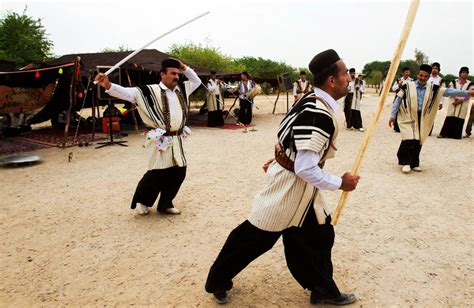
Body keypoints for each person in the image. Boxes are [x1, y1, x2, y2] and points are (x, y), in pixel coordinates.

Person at [205, 49, 360, 306]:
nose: (349, 78)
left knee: (319, 236)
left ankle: (322, 288)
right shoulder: (318, 112)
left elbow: (286, 135)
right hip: (290, 186)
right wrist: (340, 183)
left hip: (302, 186)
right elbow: (305, 168)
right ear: (331, 80)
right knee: (255, 237)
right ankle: (217, 281)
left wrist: (283, 155)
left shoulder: (312, 99)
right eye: (345, 74)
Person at [95, 58, 201, 215]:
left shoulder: (182, 90)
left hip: (177, 139)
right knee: (157, 172)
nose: (177, 77)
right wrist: (108, 85)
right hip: (159, 138)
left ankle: (165, 204)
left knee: (179, 171)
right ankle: (143, 201)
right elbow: (126, 92)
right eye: (173, 73)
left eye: (178, 74)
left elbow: (196, 80)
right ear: (162, 74)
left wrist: (183, 66)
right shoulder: (146, 91)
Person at [388, 64, 474, 173]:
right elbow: (398, 101)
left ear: (428, 77)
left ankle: (414, 163)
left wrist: (468, 93)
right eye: (421, 75)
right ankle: (405, 162)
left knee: (418, 139)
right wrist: (392, 116)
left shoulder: (434, 88)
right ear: (418, 74)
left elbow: (449, 91)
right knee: (408, 138)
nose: (422, 78)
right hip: (408, 116)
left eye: (425, 76)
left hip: (424, 117)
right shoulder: (407, 86)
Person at [438, 67, 473, 139]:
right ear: (460, 73)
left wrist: (461, 100)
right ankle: (444, 134)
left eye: (466, 73)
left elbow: (471, 93)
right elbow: (450, 90)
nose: (464, 74)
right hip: (453, 101)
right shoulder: (454, 81)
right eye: (463, 72)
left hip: (463, 103)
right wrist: (456, 98)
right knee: (450, 116)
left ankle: (456, 135)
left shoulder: (470, 84)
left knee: (460, 117)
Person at [391, 67, 413, 132]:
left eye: (408, 72)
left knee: (407, 112)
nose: (407, 73)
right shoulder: (399, 80)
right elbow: (393, 88)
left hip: (408, 98)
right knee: (398, 112)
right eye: (406, 72)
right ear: (403, 73)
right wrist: (398, 85)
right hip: (399, 98)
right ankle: (397, 127)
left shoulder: (411, 80)